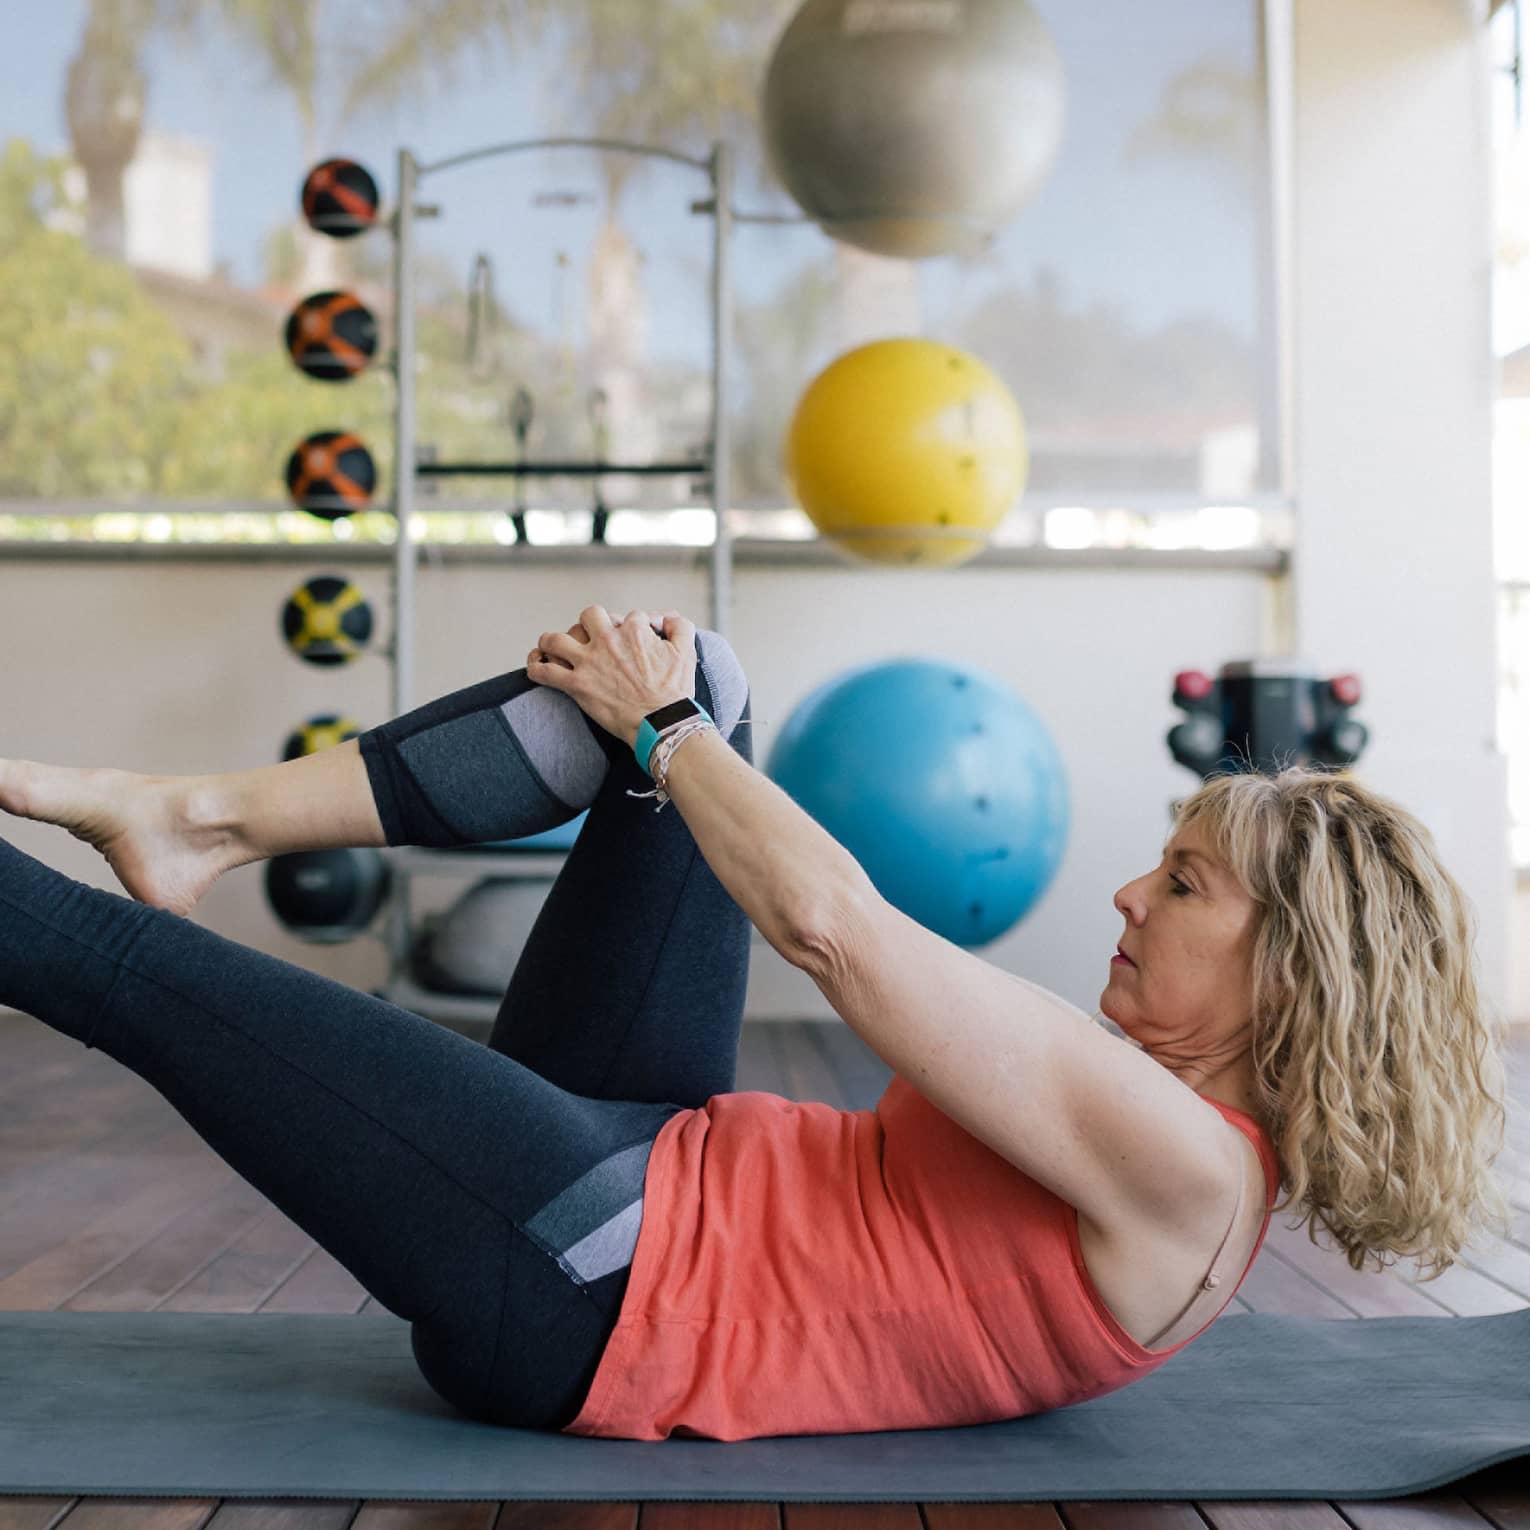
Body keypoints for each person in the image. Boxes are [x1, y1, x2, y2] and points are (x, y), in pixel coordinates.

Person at [0, 605, 1511, 1442]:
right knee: (702, 671)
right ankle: (203, 818)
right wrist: (674, 720)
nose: (1129, 891)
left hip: (598, 1285)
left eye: (1180, 884)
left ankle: (160, 842)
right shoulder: (1171, 1138)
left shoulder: (1186, 1164)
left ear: (1292, 969)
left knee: (121, 965)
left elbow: (832, 928)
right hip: (656, 1156)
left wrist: (662, 730)